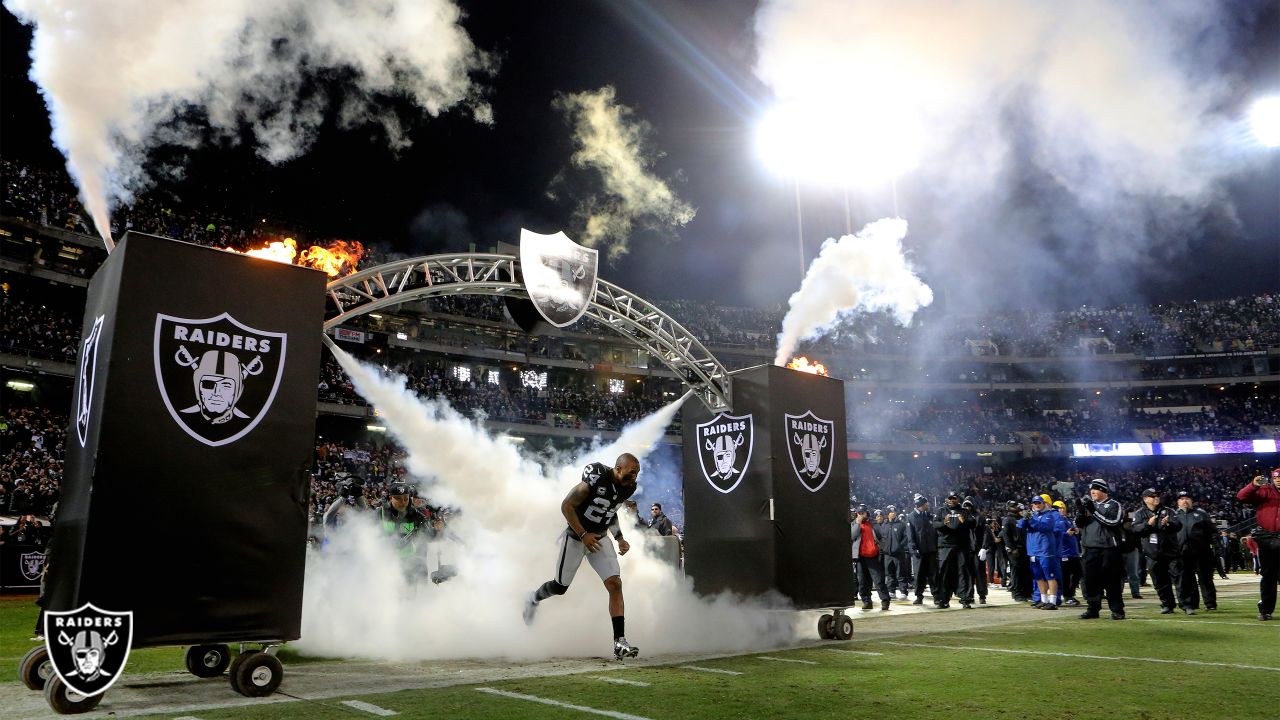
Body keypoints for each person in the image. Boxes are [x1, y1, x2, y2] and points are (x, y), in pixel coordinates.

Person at [524, 453, 641, 659]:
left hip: (600, 538)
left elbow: (610, 510)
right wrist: (583, 534)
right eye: (631, 473)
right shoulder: (596, 477)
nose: (634, 478)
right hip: (577, 537)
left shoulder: (628, 487)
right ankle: (532, 598)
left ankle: (619, 642)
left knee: (615, 584)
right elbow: (567, 506)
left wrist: (620, 537)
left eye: (637, 473)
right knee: (560, 587)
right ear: (618, 468)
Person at [1075, 479, 1127, 620]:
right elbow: (1079, 525)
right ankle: (1093, 609)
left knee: (1111, 581)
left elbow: (1113, 522)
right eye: (1091, 490)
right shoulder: (1089, 506)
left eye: (1096, 489)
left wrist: (1094, 511)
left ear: (1103, 491)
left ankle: (1117, 610)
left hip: (1108, 549)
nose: (1092, 492)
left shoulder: (1114, 505)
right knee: (1091, 581)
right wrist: (1081, 511)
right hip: (1090, 548)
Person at [1236, 468, 1280, 621]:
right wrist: (1253, 485)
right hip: (1267, 539)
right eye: (1276, 477)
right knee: (1268, 575)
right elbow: (1241, 497)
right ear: (1272, 479)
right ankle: (1266, 610)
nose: (1278, 479)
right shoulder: (1265, 491)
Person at [1132, 488, 1183, 614]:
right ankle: (1167, 605)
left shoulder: (1168, 510)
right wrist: (1148, 525)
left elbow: (1178, 525)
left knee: (1179, 578)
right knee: (1160, 582)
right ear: (1145, 499)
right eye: (1152, 496)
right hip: (1153, 554)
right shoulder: (1139, 513)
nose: (1156, 497)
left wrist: (1169, 523)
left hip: (1171, 552)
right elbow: (1135, 530)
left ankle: (1186, 605)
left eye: (1158, 495)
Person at [1172, 491, 1217, 612]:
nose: (1184, 501)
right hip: (1183, 552)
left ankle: (1210, 603)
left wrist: (1207, 545)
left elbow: (1211, 530)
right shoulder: (1174, 515)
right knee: (1188, 578)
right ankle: (1193, 603)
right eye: (1181, 499)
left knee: (1205, 577)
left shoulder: (1201, 513)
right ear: (1178, 502)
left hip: (1202, 551)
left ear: (1191, 501)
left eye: (1187, 498)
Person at [933, 493, 974, 609]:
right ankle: (943, 599)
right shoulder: (941, 511)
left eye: (954, 498)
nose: (952, 500)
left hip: (961, 546)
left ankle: (965, 599)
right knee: (944, 573)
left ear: (958, 500)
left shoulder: (964, 511)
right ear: (947, 500)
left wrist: (964, 521)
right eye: (950, 498)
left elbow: (974, 523)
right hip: (945, 546)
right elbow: (935, 524)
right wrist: (943, 523)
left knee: (963, 571)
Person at [1021, 496, 1061, 610]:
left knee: (1050, 576)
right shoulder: (1032, 515)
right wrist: (1025, 518)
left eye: (1039, 503)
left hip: (1045, 551)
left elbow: (1044, 527)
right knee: (1038, 577)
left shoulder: (1049, 515)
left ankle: (1052, 601)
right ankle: (1043, 600)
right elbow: (1020, 526)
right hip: (1033, 551)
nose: (1037, 505)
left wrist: (1030, 520)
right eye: (1035, 503)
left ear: (1043, 504)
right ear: (1032, 504)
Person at [851, 505, 891, 610]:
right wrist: (858, 523)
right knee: (863, 581)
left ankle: (885, 600)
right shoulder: (854, 524)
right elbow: (852, 535)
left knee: (878, 580)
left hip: (873, 556)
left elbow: (882, 537)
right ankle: (866, 601)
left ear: (867, 513)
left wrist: (880, 549)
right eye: (859, 513)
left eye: (862, 513)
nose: (861, 515)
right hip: (860, 557)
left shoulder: (873, 524)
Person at [906, 495, 939, 606]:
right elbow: (910, 535)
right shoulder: (911, 517)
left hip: (931, 550)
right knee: (919, 575)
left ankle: (936, 596)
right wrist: (914, 549)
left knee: (933, 574)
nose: (927, 505)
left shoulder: (929, 516)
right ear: (921, 505)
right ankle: (919, 596)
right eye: (925, 503)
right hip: (919, 552)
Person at [1000, 501, 1031, 601]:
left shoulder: (1021, 519)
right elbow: (1006, 536)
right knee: (1016, 571)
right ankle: (1017, 593)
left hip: (1024, 548)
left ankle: (1026, 592)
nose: (1015, 507)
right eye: (1013, 506)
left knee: (1025, 570)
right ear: (1008, 507)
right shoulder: (1007, 519)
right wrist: (1012, 549)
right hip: (1015, 549)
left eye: (1016, 505)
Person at [1055, 501, 1082, 607]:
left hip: (1073, 552)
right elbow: (1055, 535)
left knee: (1078, 573)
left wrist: (1076, 531)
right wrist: (1066, 534)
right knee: (1065, 576)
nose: (1062, 510)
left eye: (1063, 508)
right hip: (1064, 553)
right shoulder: (1056, 521)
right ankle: (1067, 596)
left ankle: (1070, 594)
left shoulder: (1067, 520)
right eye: (1060, 508)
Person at [882, 505, 911, 600]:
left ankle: (903, 591)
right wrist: (884, 548)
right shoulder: (884, 525)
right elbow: (882, 538)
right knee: (889, 573)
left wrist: (899, 547)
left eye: (894, 511)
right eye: (891, 512)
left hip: (899, 554)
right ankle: (891, 591)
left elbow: (906, 537)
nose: (893, 513)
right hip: (887, 554)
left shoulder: (901, 524)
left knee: (901, 573)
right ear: (887, 514)